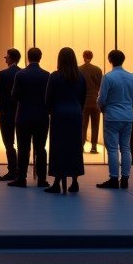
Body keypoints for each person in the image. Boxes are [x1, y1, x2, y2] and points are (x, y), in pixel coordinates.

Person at [43, 47, 86, 195]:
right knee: (74, 147)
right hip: (75, 114)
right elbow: (82, 98)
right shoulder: (80, 77)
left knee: (58, 147)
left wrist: (50, 111)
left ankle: (57, 182)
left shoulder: (55, 76)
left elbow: (48, 99)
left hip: (59, 115)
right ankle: (74, 181)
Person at [96, 49, 133, 189]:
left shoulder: (108, 77)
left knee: (113, 149)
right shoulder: (132, 77)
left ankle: (114, 178)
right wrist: (127, 106)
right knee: (126, 148)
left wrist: (103, 109)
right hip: (128, 115)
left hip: (112, 116)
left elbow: (102, 99)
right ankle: (125, 178)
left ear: (110, 60)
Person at [9, 46, 49, 189]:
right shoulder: (47, 75)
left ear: (28, 58)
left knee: (23, 148)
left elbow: (14, 95)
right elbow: (49, 97)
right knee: (40, 148)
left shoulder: (21, 75)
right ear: (40, 58)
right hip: (41, 117)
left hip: (23, 116)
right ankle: (42, 179)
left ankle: (21, 178)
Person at [0, 48, 21, 182]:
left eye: (6, 57)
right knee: (23, 144)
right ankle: (21, 171)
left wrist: (2, 108)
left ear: (11, 59)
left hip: (6, 114)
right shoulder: (23, 73)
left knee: (9, 144)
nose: (5, 59)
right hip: (21, 113)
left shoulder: (3, 74)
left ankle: (12, 171)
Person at [79, 50, 102, 154]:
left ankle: (81, 145)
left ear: (83, 57)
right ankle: (93, 147)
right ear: (92, 57)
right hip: (95, 101)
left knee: (83, 125)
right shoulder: (97, 70)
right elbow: (101, 85)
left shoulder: (79, 70)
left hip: (83, 101)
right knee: (95, 125)